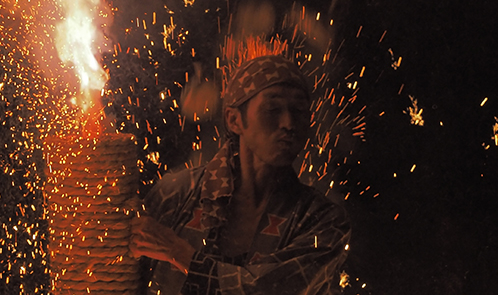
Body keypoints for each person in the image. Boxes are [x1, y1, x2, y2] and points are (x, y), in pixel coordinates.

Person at [130, 55, 352, 294]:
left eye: (299, 110)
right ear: (234, 120)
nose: (289, 123)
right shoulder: (176, 193)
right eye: (272, 109)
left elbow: (266, 289)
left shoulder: (321, 220)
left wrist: (177, 251)